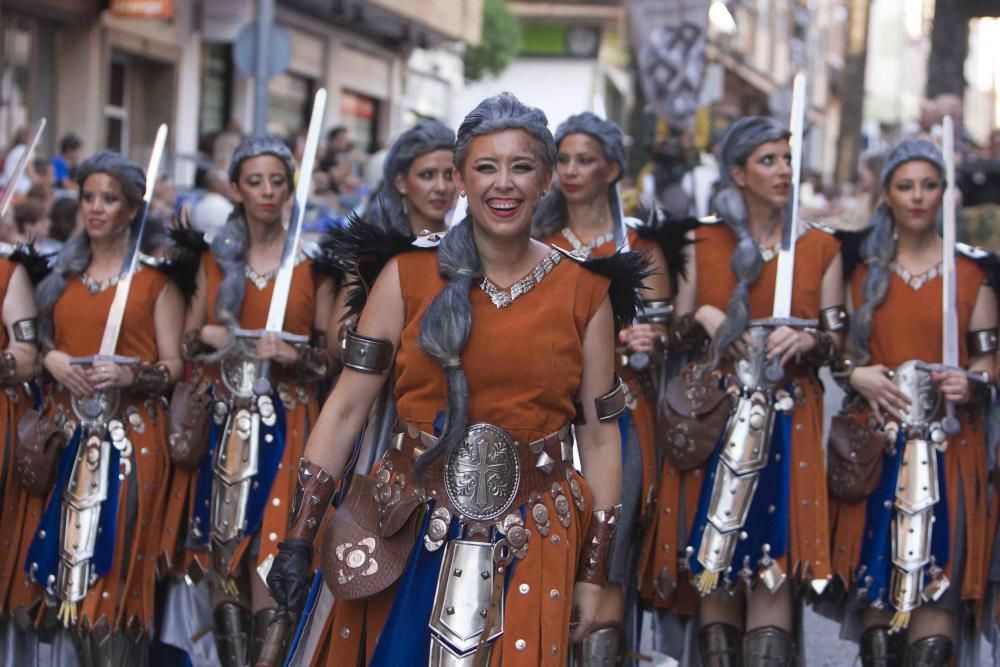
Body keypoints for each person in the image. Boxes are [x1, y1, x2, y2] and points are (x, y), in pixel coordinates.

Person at [265, 93, 637, 665]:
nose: (503, 184)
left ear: (546, 181)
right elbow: (345, 409)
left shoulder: (587, 292)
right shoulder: (405, 274)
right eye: (486, 167)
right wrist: (297, 537)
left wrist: (594, 571)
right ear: (461, 179)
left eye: (522, 167)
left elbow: (600, 438)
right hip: (406, 525)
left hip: (535, 535)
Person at [640, 116, 845, 665]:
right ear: (738, 172)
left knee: (772, 568)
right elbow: (670, 335)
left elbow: (838, 342)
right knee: (716, 569)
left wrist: (806, 339)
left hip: (786, 422)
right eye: (768, 160)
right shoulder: (699, 240)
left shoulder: (820, 246)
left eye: (786, 158)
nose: (783, 170)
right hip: (713, 420)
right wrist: (703, 316)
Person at [3, 150, 185, 664]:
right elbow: (33, 351)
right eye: (88, 198)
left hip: (130, 443)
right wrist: (54, 360)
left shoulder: (155, 281)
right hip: (61, 438)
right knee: (55, 575)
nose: (96, 208)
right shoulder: (59, 277)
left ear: (131, 209)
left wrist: (132, 373)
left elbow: (173, 364)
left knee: (113, 578)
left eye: (110, 199)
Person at [826, 138, 998, 666]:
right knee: (881, 629)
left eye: (929, 185)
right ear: (887, 194)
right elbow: (836, 357)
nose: (918, 197)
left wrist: (970, 382)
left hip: (949, 451)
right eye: (906, 186)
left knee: (933, 632)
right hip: (878, 449)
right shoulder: (857, 268)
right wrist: (859, 375)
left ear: (945, 194)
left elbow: (989, 362)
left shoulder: (973, 272)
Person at [171, 135, 336, 666]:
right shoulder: (216, 261)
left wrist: (294, 352)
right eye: (255, 181)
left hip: (289, 422)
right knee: (224, 549)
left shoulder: (314, 263)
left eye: (276, 181)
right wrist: (213, 339)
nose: (267, 191)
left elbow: (332, 358)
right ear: (236, 189)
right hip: (223, 418)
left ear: (290, 188)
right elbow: (188, 340)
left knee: (277, 548)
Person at [532, 111, 671, 663]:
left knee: (607, 551)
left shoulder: (640, 244)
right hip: (547, 417)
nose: (570, 170)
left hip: (619, 415)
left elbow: (663, 329)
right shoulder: (537, 241)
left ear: (612, 169)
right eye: (562, 158)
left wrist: (650, 337)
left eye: (584, 160)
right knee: (541, 549)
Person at [190, 169, 234, 242]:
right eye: (227, 183)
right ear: (220, 186)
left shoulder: (197, 207)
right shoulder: (227, 208)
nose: (229, 187)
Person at [1, 126, 37, 199]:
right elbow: (31, 174)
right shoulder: (26, 150)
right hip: (20, 188)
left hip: (7, 185)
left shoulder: (15, 150)